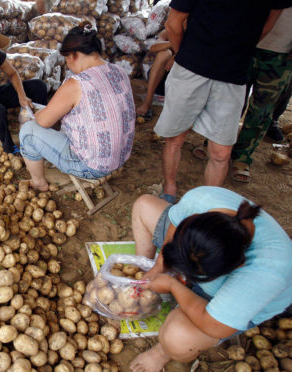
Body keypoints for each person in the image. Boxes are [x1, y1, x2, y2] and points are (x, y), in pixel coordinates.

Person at [130, 186, 292, 372]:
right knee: (144, 205)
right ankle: (143, 268)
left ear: (234, 268)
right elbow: (174, 229)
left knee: (177, 338)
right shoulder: (202, 200)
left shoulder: (266, 272)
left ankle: (161, 354)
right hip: (210, 251)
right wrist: (159, 266)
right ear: (193, 221)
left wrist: (173, 286)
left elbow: (214, 326)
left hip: (249, 297)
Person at [153, 0, 289, 203]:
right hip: (191, 69)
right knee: (175, 138)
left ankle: (209, 204)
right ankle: (169, 189)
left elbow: (275, 11)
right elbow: (173, 22)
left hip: (233, 75)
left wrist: (244, 44)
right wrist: (186, 54)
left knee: (221, 152)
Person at [18, 23, 135, 192]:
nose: (69, 65)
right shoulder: (118, 71)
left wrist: (37, 112)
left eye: (66, 60)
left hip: (91, 166)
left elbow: (43, 121)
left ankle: (38, 182)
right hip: (121, 157)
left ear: (72, 55)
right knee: (59, 112)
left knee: (28, 131)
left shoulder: (77, 83)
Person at [231, 7, 292, 183]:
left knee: (263, 108)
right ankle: (215, 144)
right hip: (244, 43)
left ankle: (242, 155)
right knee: (229, 98)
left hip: (281, 54)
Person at [135, 29, 174, 119]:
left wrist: (177, 57)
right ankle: (147, 102)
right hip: (162, 83)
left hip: (181, 84)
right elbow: (153, 47)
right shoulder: (169, 31)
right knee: (164, 54)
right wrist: (176, 42)